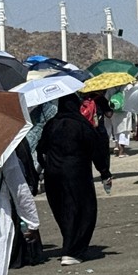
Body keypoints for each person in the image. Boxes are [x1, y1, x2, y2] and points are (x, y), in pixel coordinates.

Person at [35, 93, 112, 265]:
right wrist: (104, 172)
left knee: (63, 211)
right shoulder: (81, 125)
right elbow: (96, 149)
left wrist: (47, 166)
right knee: (83, 210)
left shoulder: (51, 124)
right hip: (77, 175)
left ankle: (69, 244)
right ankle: (73, 250)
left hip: (53, 175)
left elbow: (40, 149)